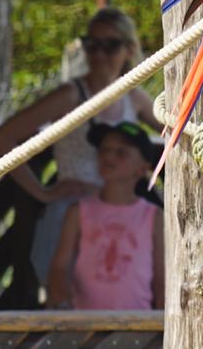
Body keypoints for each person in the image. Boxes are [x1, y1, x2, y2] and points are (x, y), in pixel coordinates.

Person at [0, 7, 162, 285]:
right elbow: (1, 139)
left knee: (122, 304)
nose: (100, 54)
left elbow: (178, 135)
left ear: (129, 50)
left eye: (110, 45)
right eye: (92, 45)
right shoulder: (71, 95)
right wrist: (42, 193)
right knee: (68, 305)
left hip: (119, 219)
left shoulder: (134, 98)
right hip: (73, 216)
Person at [47, 121, 164, 310]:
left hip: (138, 327)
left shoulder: (154, 216)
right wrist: (63, 302)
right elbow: (59, 268)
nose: (108, 156)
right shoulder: (78, 211)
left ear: (142, 169)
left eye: (121, 152)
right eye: (103, 150)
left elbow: (161, 279)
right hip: (86, 326)